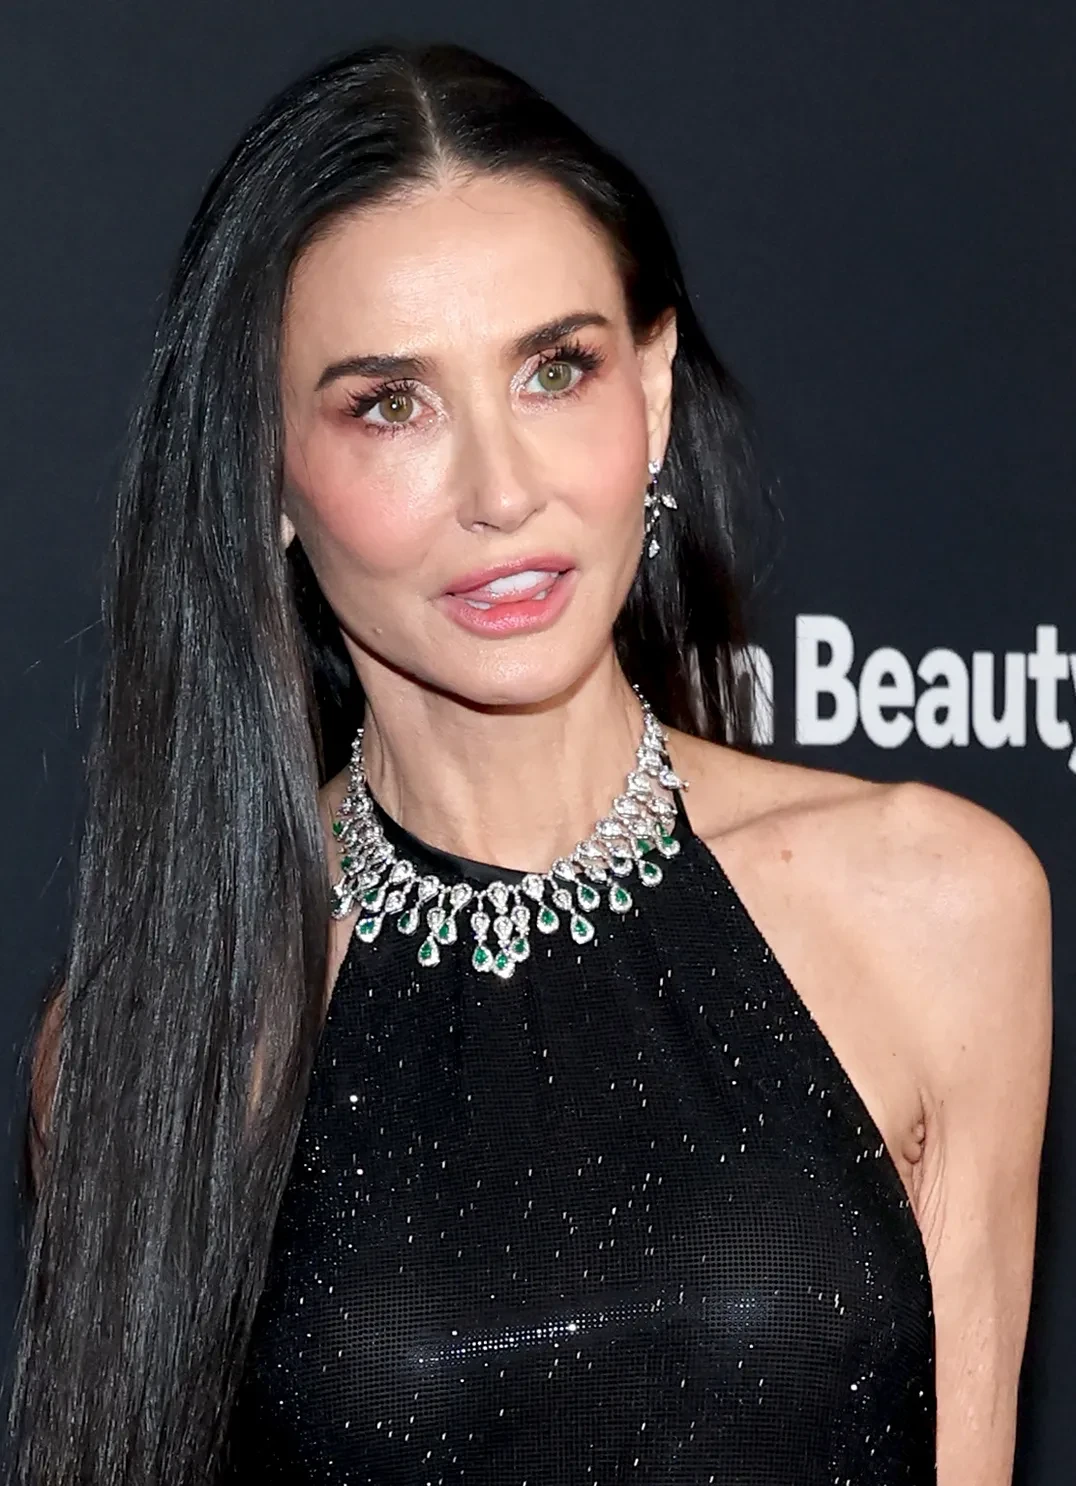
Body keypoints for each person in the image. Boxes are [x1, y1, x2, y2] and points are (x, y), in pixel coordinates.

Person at [9, 39, 1051, 1486]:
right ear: (263, 472)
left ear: (654, 392)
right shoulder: (159, 1037)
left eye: (557, 371)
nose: (503, 491)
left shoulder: (936, 902)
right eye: (391, 404)